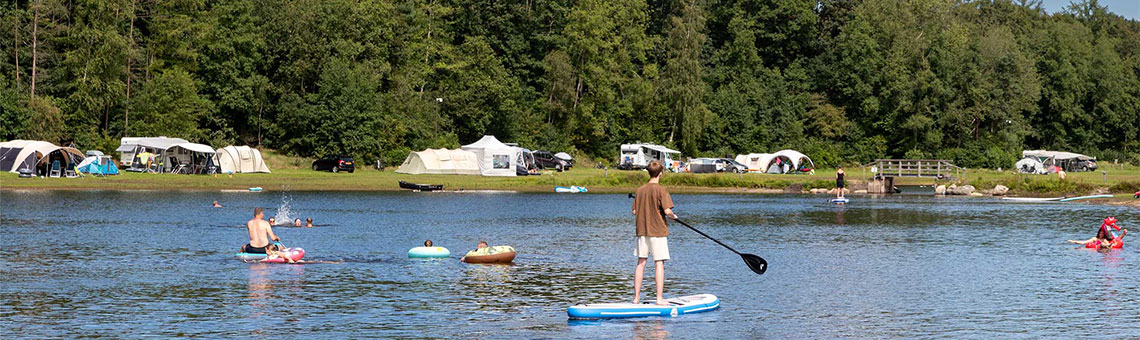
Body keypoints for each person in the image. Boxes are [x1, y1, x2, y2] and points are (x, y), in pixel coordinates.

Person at [631, 160, 678, 306]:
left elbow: (634, 211)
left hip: (642, 231)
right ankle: (659, 299)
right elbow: (667, 211)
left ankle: (636, 298)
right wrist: (674, 217)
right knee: (659, 264)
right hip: (657, 231)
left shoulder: (640, 190)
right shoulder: (661, 190)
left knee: (641, 262)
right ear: (660, 174)